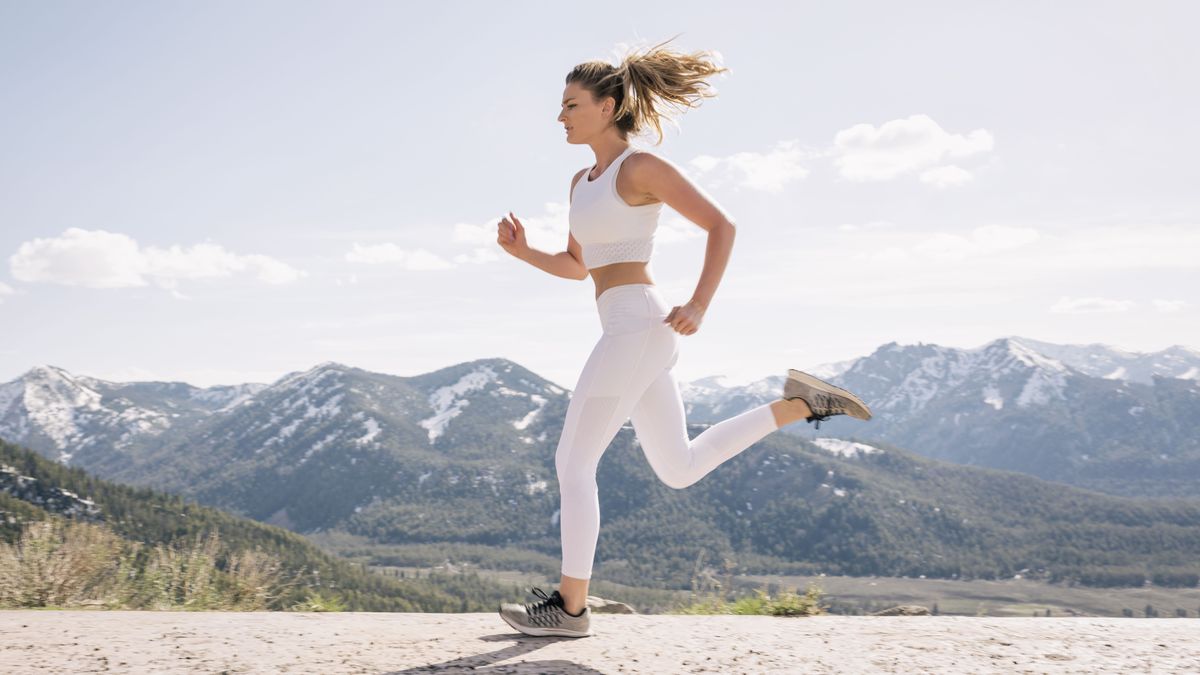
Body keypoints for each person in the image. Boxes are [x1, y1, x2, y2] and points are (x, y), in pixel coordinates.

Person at [494, 36, 872, 638]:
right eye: (561, 105)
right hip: (628, 325)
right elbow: (577, 265)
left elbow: (721, 224)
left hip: (638, 325)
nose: (559, 116)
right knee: (679, 466)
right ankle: (801, 402)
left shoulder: (639, 167)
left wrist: (699, 302)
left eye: (570, 104)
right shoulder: (580, 181)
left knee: (572, 460)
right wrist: (522, 253)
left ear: (608, 106)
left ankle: (569, 609)